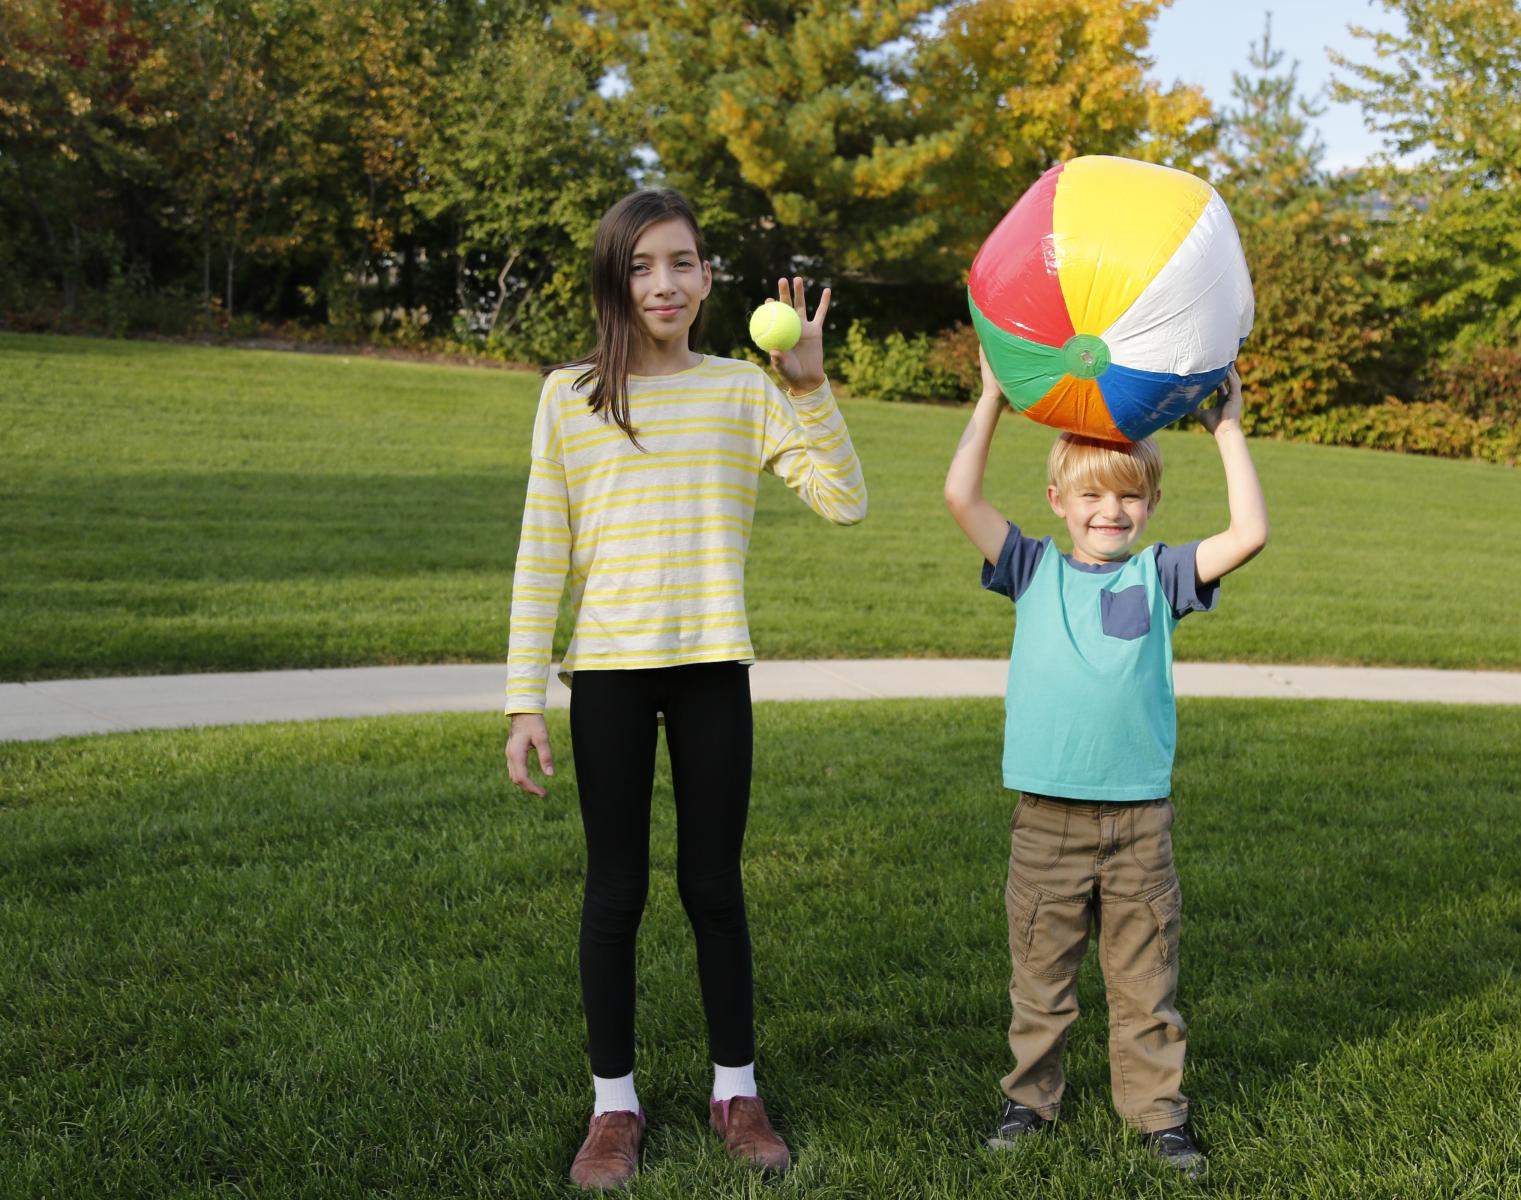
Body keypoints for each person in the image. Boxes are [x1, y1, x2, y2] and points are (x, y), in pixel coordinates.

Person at [502, 188, 866, 1191]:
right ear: (615, 280)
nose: (663, 283)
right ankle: (612, 1106)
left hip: (712, 670)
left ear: (709, 278)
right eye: (641, 265)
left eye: (682, 263)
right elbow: (544, 552)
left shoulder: (744, 392)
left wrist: (810, 385)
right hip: (609, 677)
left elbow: (845, 502)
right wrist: (523, 697)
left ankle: (735, 1091)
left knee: (713, 887)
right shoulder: (567, 395)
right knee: (614, 890)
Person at [942, 354, 1266, 1180]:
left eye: (1128, 495)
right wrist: (989, 398)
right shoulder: (1031, 568)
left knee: (1145, 979)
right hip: (1047, 820)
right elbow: (960, 499)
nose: (1110, 509)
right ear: (1058, 502)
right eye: (1091, 494)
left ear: (1152, 502)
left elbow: (1249, 535)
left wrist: (1226, 428)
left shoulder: (1161, 577)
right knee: (1040, 977)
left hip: (1137, 823)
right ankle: (1029, 1101)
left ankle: (1159, 1116)